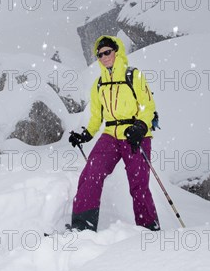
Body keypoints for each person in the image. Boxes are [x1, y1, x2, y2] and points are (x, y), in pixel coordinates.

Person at [68, 35, 160, 232]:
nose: (103, 57)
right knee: (91, 173)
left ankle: (149, 230)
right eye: (100, 54)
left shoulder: (133, 76)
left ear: (116, 52)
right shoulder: (99, 85)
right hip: (110, 134)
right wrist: (85, 134)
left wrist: (141, 127)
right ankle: (82, 226)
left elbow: (148, 106)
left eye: (107, 52)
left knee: (138, 186)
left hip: (135, 135)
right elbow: (95, 118)